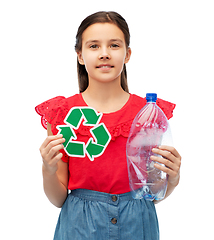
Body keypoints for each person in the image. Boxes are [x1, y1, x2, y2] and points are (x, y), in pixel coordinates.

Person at [35, 11, 182, 240]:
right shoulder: (62, 114)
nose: (104, 54)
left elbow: (151, 192)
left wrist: (171, 180)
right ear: (80, 55)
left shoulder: (148, 113)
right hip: (79, 226)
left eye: (114, 45)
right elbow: (58, 199)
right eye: (94, 46)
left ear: (127, 54)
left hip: (138, 223)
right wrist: (48, 168)